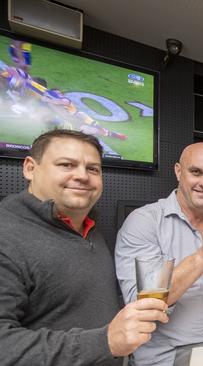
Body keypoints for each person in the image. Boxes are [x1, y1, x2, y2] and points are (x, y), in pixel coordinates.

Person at [0, 129, 167, 365]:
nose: (83, 176)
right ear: (30, 168)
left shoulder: (88, 228)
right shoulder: (6, 233)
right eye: (66, 165)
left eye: (93, 169)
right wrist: (105, 342)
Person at [115, 142, 203, 365]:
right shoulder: (144, 222)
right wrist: (202, 257)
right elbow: (143, 303)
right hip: (167, 356)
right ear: (178, 171)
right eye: (196, 172)